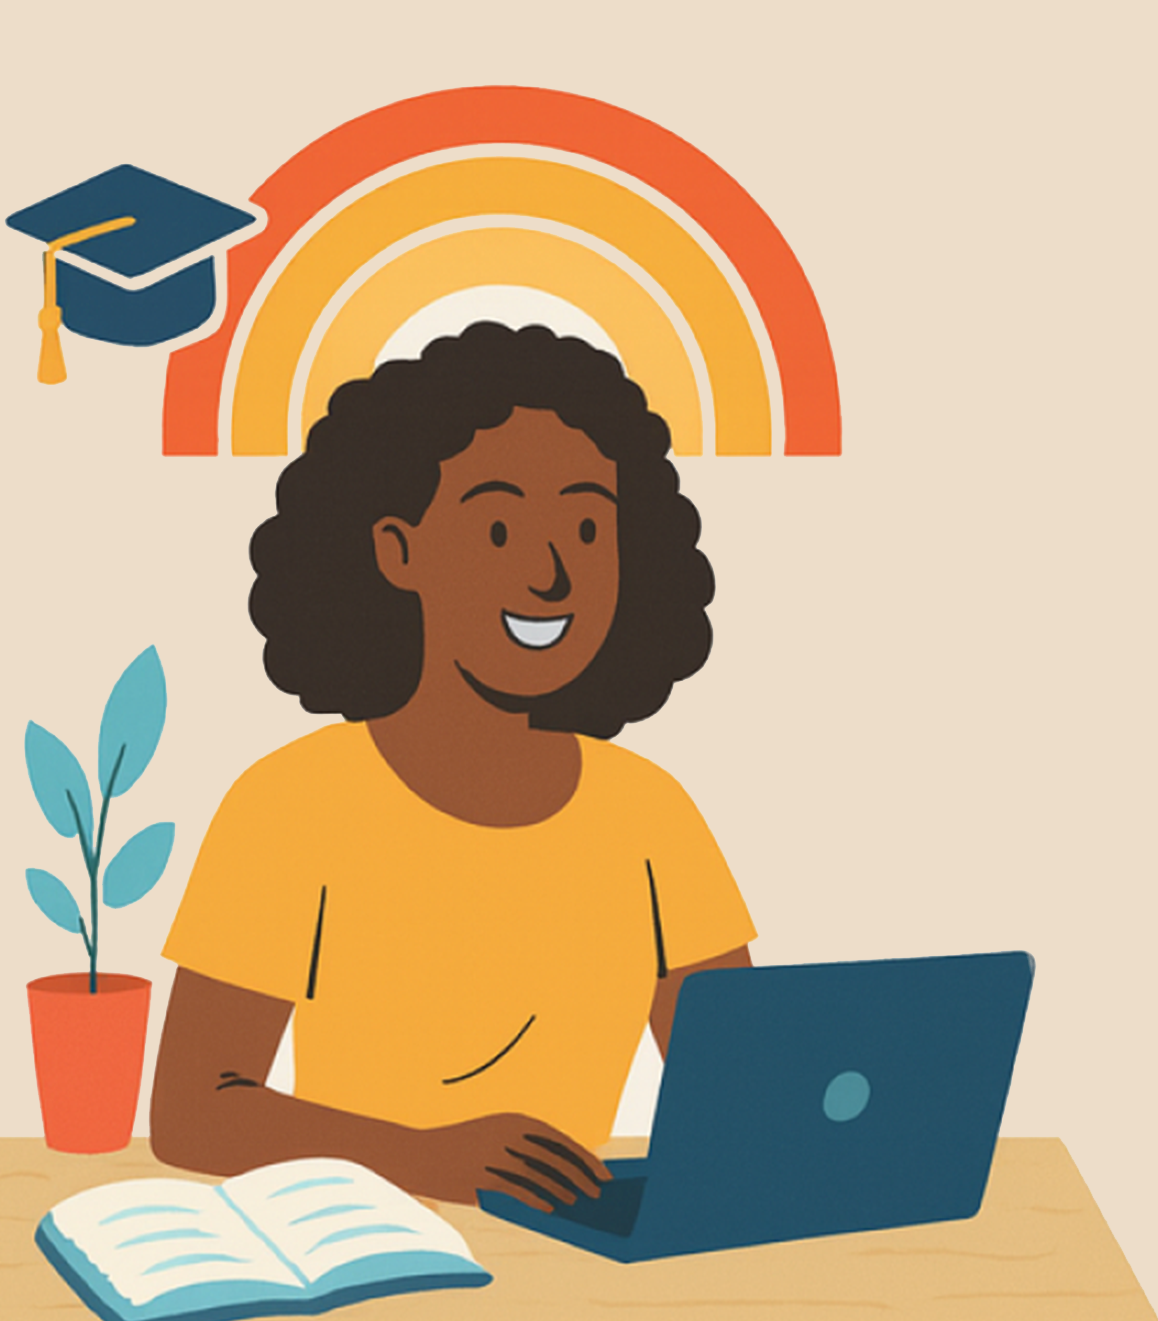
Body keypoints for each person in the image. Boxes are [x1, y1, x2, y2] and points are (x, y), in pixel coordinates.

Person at [150, 322, 755, 1213]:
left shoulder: (651, 815)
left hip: (572, 1271)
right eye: (502, 527)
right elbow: (192, 1112)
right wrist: (419, 1159)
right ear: (399, 550)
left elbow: (742, 1100)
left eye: (589, 527)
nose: (554, 575)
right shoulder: (288, 805)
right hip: (362, 1255)